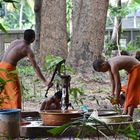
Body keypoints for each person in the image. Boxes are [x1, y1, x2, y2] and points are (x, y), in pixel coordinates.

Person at [0, 29, 48, 109]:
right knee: (15, 92)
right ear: (33, 39)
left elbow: (13, 53)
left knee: (4, 91)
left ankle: (5, 114)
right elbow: (35, 67)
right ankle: (17, 117)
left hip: (1, 65)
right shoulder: (27, 49)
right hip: (8, 69)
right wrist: (45, 81)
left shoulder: (15, 41)